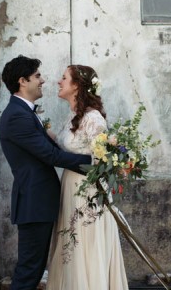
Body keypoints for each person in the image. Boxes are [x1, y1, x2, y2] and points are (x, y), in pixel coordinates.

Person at [0, 55, 92, 290]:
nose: (43, 80)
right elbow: (51, 156)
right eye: (37, 76)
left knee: (34, 268)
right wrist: (95, 164)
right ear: (23, 81)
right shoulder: (17, 116)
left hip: (39, 202)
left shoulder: (25, 112)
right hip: (34, 202)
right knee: (29, 270)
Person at [46, 65, 129, 290]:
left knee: (84, 244)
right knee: (71, 245)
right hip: (71, 188)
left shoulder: (93, 118)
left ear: (76, 86)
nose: (58, 81)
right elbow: (67, 148)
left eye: (64, 78)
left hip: (87, 192)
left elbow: (103, 161)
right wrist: (43, 131)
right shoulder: (74, 115)